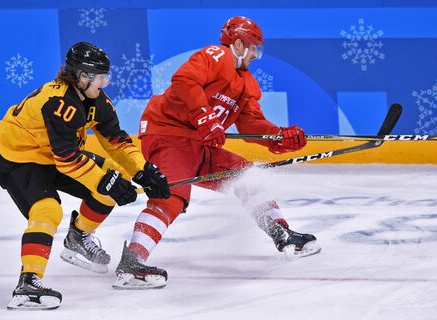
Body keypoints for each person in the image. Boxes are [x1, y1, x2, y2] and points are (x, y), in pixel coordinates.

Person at [112, 16, 321, 290]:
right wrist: (205, 118)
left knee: (248, 177)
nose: (256, 56)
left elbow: (250, 124)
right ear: (238, 44)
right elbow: (185, 81)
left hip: (200, 145)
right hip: (168, 135)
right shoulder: (216, 55)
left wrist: (279, 137)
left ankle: (281, 233)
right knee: (172, 197)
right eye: (254, 48)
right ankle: (131, 262)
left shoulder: (247, 82)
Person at [0, 41, 171, 310]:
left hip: (51, 155)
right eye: (101, 76)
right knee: (47, 211)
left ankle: (78, 236)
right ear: (82, 76)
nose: (105, 82)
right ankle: (27, 284)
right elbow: (67, 160)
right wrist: (107, 182)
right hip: (19, 158)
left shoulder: (95, 100)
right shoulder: (59, 102)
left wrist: (143, 171)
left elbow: (116, 140)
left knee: (112, 175)